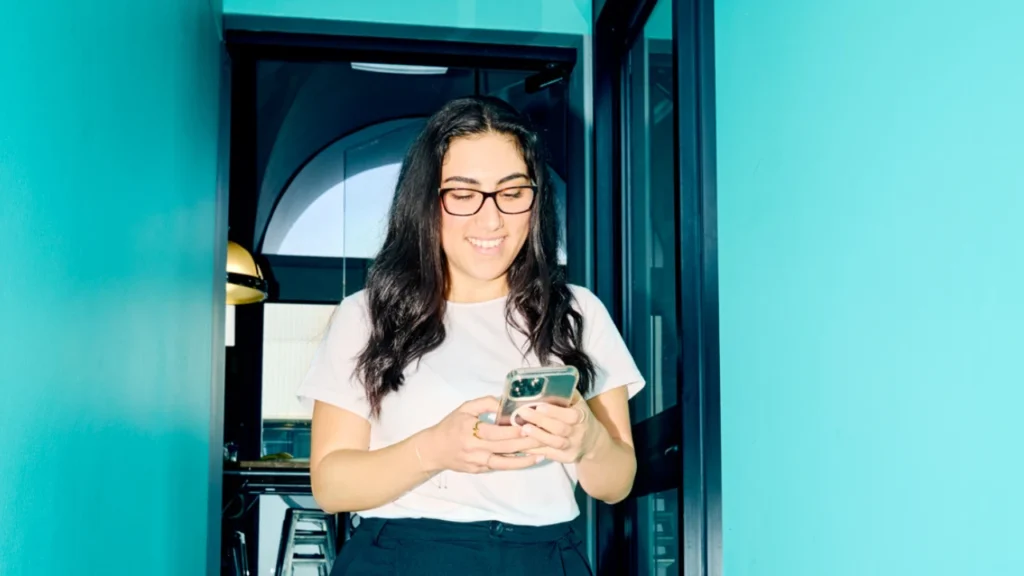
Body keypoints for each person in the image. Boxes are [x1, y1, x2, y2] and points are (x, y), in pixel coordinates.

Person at [297, 96, 645, 576]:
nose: (491, 219)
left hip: (543, 559)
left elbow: (617, 481)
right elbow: (330, 484)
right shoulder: (366, 316)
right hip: (402, 557)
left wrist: (588, 442)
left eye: (512, 192)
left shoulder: (579, 313)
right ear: (426, 203)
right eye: (463, 195)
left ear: (535, 198)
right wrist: (435, 449)